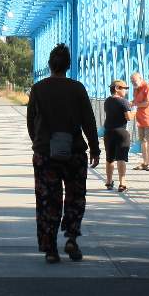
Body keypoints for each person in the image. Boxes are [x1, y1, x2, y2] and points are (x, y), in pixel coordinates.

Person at [26, 43, 100, 263]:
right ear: (68, 65)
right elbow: (89, 121)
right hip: (74, 152)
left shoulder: (38, 89)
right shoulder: (77, 88)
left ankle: (50, 249)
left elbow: (31, 122)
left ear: (49, 65)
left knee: (47, 199)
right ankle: (71, 238)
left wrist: (39, 142)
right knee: (75, 197)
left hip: (45, 154)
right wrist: (95, 148)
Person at [101, 80, 132, 192]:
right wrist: (134, 111)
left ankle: (109, 182)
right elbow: (128, 117)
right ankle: (122, 183)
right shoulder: (124, 102)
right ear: (117, 88)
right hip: (121, 132)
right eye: (124, 88)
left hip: (108, 132)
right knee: (121, 158)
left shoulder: (107, 101)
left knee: (109, 158)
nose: (126, 91)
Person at [129, 72, 149, 170]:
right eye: (132, 81)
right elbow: (136, 101)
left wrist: (134, 104)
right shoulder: (136, 89)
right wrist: (131, 103)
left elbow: (148, 103)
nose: (133, 83)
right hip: (141, 119)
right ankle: (144, 162)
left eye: (134, 81)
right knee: (143, 141)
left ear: (140, 78)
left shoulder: (148, 87)